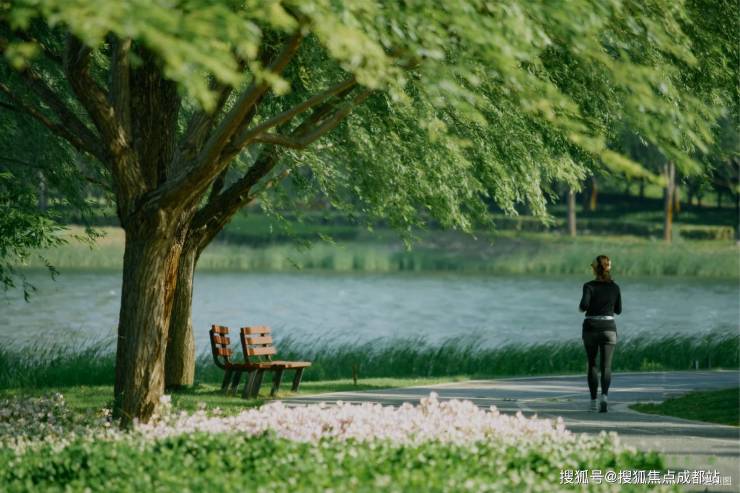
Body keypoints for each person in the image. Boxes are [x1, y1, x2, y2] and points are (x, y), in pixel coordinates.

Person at [579, 255, 621, 413]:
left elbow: (583, 306)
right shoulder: (615, 287)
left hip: (591, 328)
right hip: (609, 328)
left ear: (595, 269)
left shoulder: (588, 286)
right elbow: (618, 310)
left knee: (592, 364)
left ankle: (593, 402)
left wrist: (584, 307)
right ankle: (604, 397)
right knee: (606, 366)